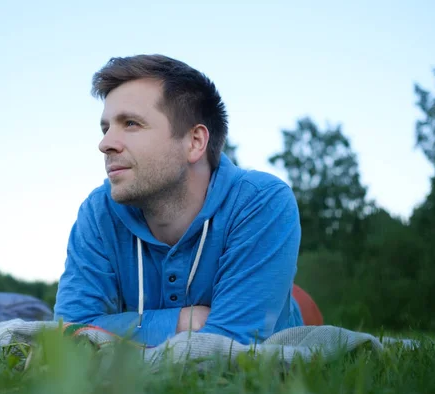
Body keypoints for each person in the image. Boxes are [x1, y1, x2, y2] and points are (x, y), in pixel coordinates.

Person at [54, 54, 321, 347]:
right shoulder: (98, 212)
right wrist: (181, 321)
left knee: (303, 304)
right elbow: (68, 332)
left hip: (297, 312)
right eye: (106, 128)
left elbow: (230, 347)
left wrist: (114, 328)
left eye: (130, 123)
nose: (105, 144)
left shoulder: (261, 202)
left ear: (194, 142)